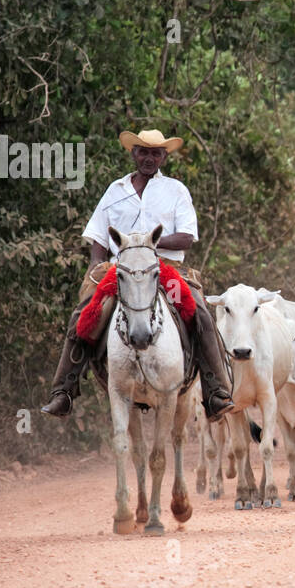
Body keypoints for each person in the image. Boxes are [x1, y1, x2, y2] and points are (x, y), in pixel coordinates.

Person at [40, 128, 235, 421]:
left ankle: (216, 390)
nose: (149, 157)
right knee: (84, 314)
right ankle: (63, 391)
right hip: (121, 270)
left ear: (164, 157)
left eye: (156, 153)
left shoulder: (176, 190)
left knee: (200, 311)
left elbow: (185, 238)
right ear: (133, 153)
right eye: (143, 151)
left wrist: (148, 245)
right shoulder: (115, 190)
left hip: (165, 270)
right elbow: (98, 240)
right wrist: (96, 267)